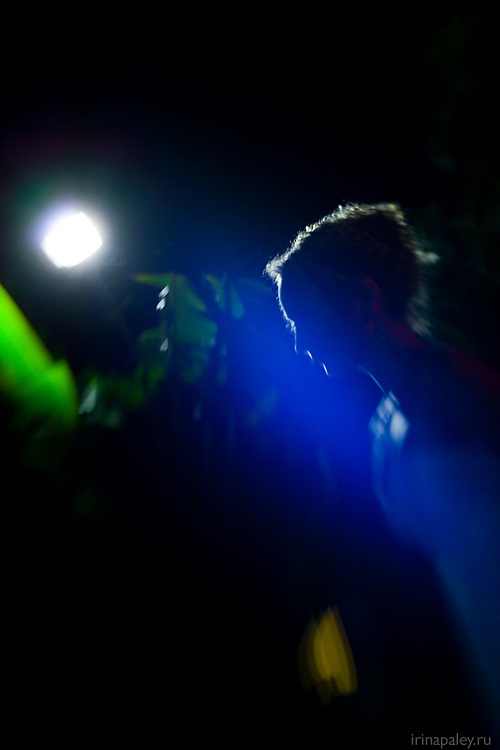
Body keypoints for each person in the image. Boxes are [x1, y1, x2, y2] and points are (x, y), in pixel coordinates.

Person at [264, 202, 500, 740]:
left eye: (304, 317)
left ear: (364, 300)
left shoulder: (456, 382)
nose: (299, 342)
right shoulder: (384, 426)